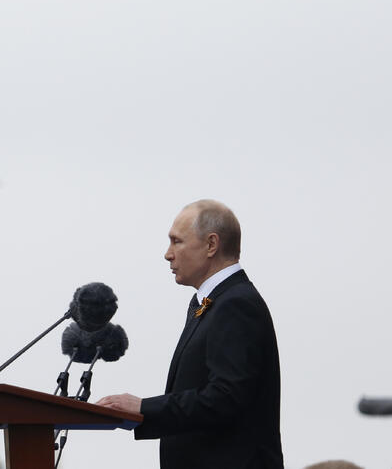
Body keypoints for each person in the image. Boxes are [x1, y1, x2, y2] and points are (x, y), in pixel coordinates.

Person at [96, 200, 283, 469]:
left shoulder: (235, 303)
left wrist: (144, 408)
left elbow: (226, 397)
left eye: (177, 241)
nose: (168, 254)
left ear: (211, 245)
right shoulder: (212, 301)